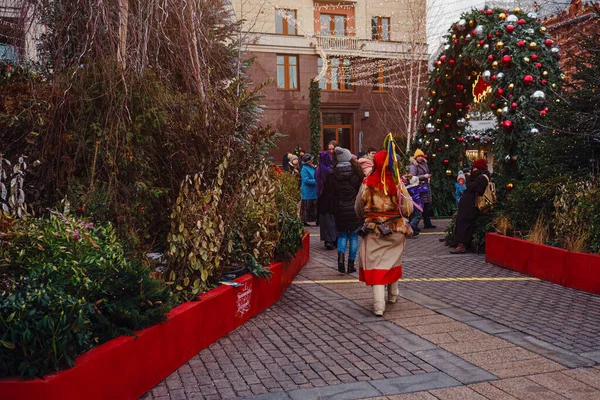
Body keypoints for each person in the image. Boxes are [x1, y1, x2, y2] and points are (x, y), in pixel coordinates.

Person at [355, 150, 413, 316]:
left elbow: (358, 207)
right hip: (396, 228)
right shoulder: (398, 183)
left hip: (374, 230)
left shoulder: (367, 183)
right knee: (393, 260)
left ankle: (379, 305)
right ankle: (393, 294)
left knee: (375, 265)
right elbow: (407, 208)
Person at [332, 147, 363, 273]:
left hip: (339, 208)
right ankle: (351, 265)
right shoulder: (356, 173)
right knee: (354, 237)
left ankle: (340, 259)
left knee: (342, 235)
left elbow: (331, 193)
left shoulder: (333, 174)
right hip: (354, 208)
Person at [450, 158, 490, 254]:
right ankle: (460, 243)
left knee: (465, 223)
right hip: (467, 204)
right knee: (462, 222)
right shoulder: (478, 177)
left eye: (474, 168)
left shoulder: (482, 178)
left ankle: (462, 244)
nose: (472, 170)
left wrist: (468, 178)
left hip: (471, 205)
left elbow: (472, 187)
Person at [408, 149, 436, 230]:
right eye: (418, 156)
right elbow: (412, 177)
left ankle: (427, 223)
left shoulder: (424, 163)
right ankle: (413, 225)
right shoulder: (413, 165)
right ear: (415, 157)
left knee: (426, 205)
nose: (420, 158)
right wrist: (424, 176)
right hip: (418, 188)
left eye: (421, 156)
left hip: (425, 187)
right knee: (418, 207)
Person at [316, 151, 337, 250]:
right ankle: (331, 239)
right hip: (331, 199)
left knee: (324, 220)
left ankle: (326, 239)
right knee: (331, 220)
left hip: (321, 198)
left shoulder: (319, 170)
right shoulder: (331, 171)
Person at [300, 154, 317, 226]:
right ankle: (304, 220)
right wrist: (317, 181)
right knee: (307, 206)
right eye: (311, 160)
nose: (312, 161)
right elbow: (306, 180)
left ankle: (313, 219)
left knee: (313, 206)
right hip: (307, 191)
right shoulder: (304, 169)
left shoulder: (311, 167)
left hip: (313, 190)